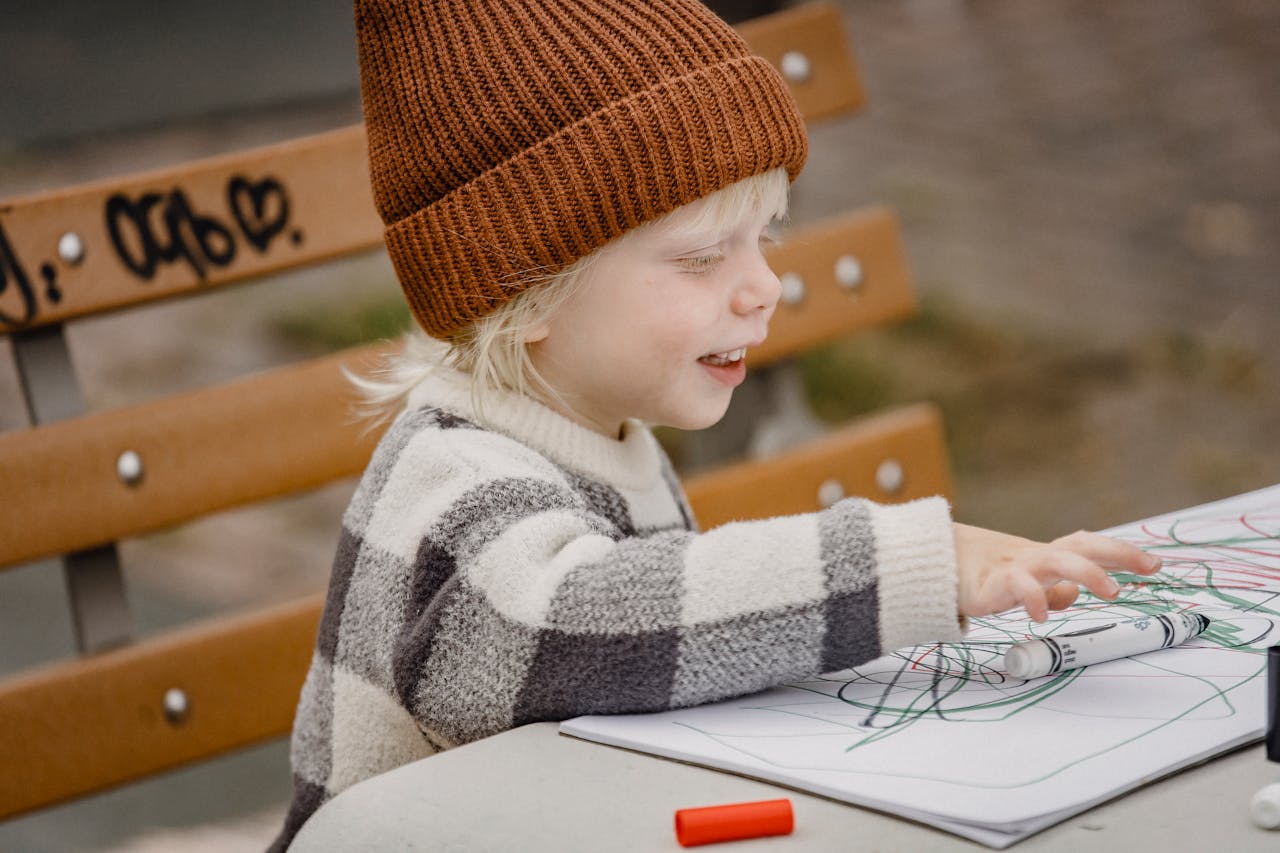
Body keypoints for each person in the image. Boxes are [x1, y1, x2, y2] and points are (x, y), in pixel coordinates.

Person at [270, 0, 1161, 847]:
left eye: (764, 237)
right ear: (521, 284)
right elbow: (570, 624)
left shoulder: (600, 427)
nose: (762, 285)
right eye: (701, 258)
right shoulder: (454, 483)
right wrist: (909, 565)